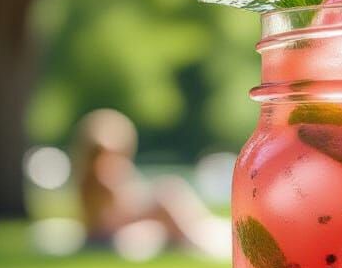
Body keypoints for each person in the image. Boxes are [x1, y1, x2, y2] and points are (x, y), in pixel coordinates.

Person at [74, 109, 229, 260]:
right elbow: (111, 217)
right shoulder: (99, 179)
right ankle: (197, 240)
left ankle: (199, 233)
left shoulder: (103, 174)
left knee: (169, 193)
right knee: (166, 198)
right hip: (110, 235)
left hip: (120, 228)